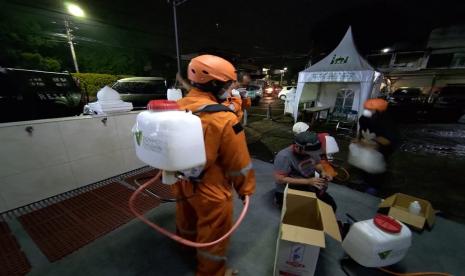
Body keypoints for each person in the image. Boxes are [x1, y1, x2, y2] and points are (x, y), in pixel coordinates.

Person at [175, 55, 256, 276]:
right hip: (211, 188)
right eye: (228, 84)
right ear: (214, 84)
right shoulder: (224, 118)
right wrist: (245, 188)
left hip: (181, 180)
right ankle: (212, 272)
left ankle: (185, 248)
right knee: (213, 234)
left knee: (187, 217)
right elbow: (238, 162)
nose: (230, 88)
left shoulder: (177, 107)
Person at [273, 131, 337, 211]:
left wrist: (323, 171)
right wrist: (308, 181)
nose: (312, 154)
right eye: (308, 152)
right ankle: (280, 201)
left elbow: (317, 163)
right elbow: (280, 179)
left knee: (331, 206)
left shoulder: (312, 149)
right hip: (287, 189)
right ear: (297, 147)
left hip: (308, 184)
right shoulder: (284, 156)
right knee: (306, 213)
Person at [356, 98, 399, 194]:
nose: (367, 111)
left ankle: (374, 186)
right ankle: (365, 181)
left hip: (382, 149)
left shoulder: (386, 122)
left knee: (377, 167)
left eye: (370, 109)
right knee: (364, 164)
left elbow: (388, 140)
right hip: (367, 146)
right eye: (366, 108)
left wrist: (374, 142)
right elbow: (362, 130)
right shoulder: (364, 118)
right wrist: (359, 140)